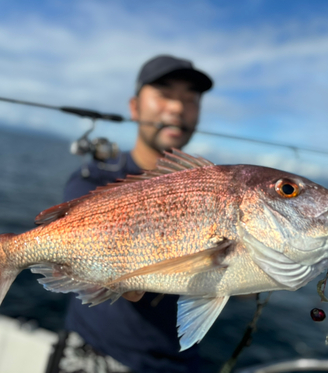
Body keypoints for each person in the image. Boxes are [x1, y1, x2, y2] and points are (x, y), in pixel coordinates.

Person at [59, 55, 213, 373]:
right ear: (134, 107)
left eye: (190, 99)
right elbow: (76, 248)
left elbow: (242, 289)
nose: (177, 108)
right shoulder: (95, 180)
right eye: (165, 94)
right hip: (95, 353)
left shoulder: (210, 188)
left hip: (182, 364)